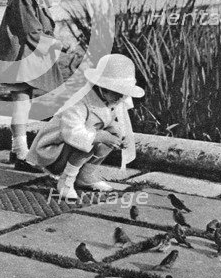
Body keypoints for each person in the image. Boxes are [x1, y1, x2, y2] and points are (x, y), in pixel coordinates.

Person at [0, 0, 68, 172]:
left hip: (27, 56)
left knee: (24, 102)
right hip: (21, 57)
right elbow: (31, 31)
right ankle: (22, 152)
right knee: (22, 103)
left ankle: (19, 149)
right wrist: (57, 45)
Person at [26, 54, 144, 198]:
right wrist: (100, 136)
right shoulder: (79, 99)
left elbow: (108, 120)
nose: (121, 98)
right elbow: (71, 133)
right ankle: (66, 180)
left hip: (77, 142)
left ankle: (85, 175)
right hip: (55, 149)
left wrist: (119, 135)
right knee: (89, 140)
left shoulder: (114, 99)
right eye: (118, 93)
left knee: (111, 136)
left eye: (124, 94)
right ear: (102, 87)